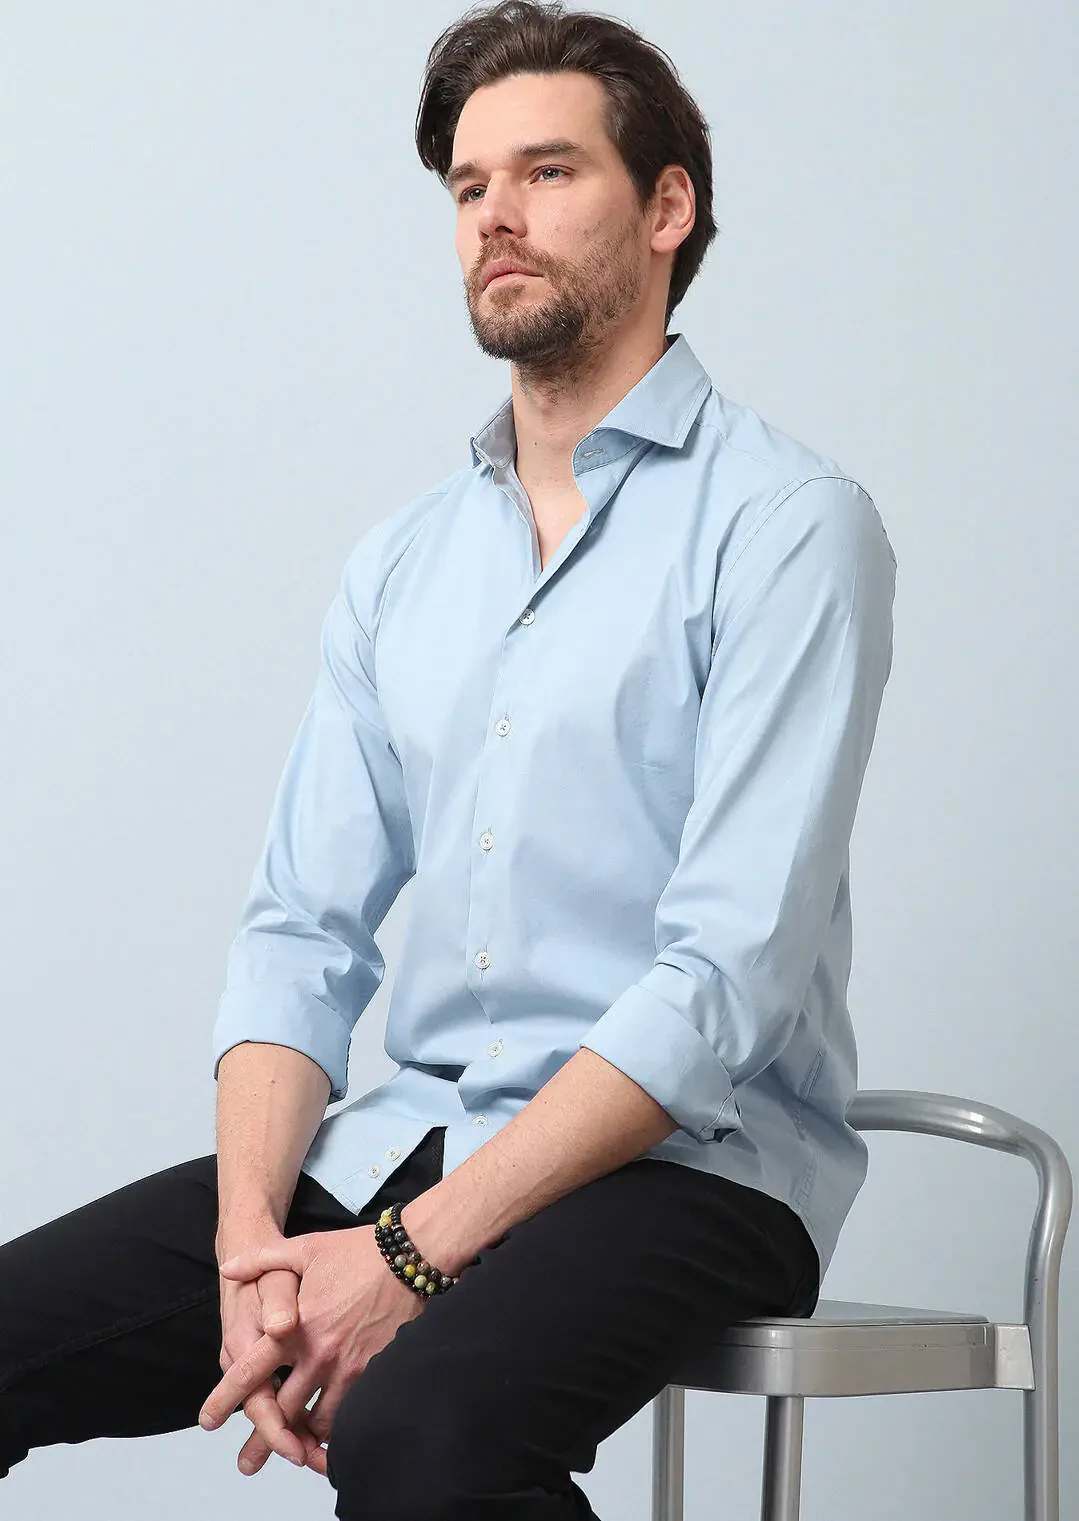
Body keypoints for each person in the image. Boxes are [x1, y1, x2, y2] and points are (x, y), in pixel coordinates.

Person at [0, 2, 898, 1516]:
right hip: (407, 1138)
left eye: (548, 171)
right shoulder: (406, 562)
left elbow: (721, 980)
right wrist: (249, 1251)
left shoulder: (786, 527)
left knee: (423, 1438)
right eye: (470, 185)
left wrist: (406, 1259)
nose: (495, 215)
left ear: (667, 208)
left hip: (691, 1169)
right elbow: (300, 936)